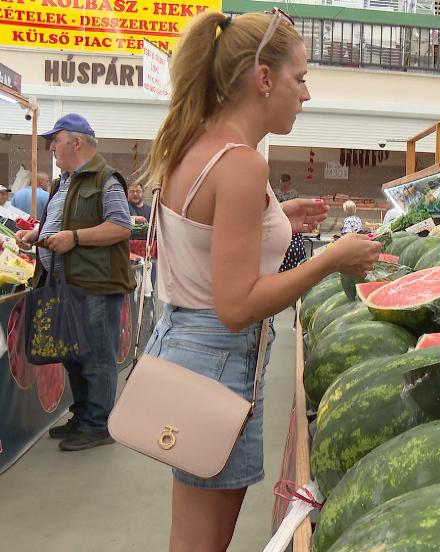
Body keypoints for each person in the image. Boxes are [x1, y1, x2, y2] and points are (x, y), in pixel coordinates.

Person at [138, 11, 380, 550]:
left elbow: (207, 240)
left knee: (191, 535)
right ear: (263, 79)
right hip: (221, 360)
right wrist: (330, 260)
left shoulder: (194, 146)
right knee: (205, 542)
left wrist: (277, 220)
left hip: (186, 349)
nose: (306, 94)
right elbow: (238, 304)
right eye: (300, 78)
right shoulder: (242, 165)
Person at [14, 113, 135, 452]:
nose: (51, 147)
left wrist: (75, 238)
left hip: (94, 284)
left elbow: (121, 227)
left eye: (56, 140)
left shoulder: (105, 180)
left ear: (77, 142)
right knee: (73, 354)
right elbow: (60, 223)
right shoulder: (63, 181)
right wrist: (37, 235)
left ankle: (98, 425)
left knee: (97, 357)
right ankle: (83, 417)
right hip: (64, 283)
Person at [274, 173, 307, 272]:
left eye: (286, 183)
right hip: (278, 224)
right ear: (280, 182)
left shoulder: (294, 194)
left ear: (289, 183)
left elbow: (297, 209)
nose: (284, 185)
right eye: (282, 182)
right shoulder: (275, 192)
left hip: (292, 225)